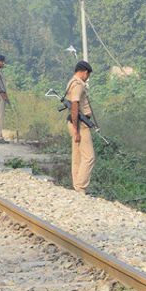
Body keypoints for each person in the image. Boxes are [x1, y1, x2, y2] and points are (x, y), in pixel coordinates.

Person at [64, 60, 97, 195]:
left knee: (77, 156)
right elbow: (75, 105)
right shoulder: (78, 85)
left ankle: (77, 187)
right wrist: (77, 130)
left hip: (75, 123)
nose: (87, 78)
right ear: (84, 72)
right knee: (89, 157)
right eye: (88, 75)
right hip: (80, 124)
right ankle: (81, 186)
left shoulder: (72, 82)